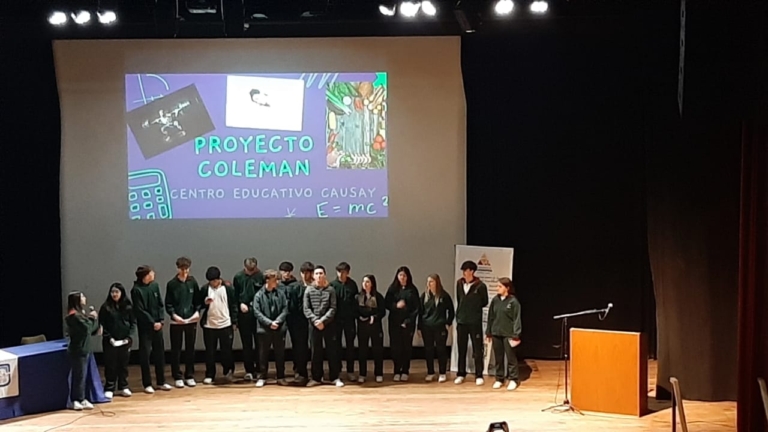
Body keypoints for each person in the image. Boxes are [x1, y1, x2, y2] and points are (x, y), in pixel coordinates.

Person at [131, 265, 172, 393]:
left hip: (158, 325)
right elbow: (139, 310)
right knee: (145, 355)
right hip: (146, 328)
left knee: (159, 353)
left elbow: (160, 304)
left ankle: (161, 381)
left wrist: (160, 319)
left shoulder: (155, 286)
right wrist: (152, 322)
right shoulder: (136, 290)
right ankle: (147, 383)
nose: (153, 274)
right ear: (145, 276)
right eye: (151, 273)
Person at [303, 265, 343, 387]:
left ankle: (334, 377)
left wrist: (323, 321)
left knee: (332, 351)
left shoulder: (330, 290)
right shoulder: (308, 290)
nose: (319, 276)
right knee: (315, 352)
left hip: (328, 324)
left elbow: (333, 308)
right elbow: (306, 308)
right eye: (317, 273)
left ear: (325, 275)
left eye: (321, 273)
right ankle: (316, 377)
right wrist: (315, 320)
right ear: (313, 276)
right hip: (314, 325)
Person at [165, 257, 201, 388]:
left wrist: (197, 312)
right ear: (177, 269)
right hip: (177, 322)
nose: (184, 272)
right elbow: (168, 304)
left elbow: (197, 301)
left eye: (186, 269)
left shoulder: (192, 282)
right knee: (176, 349)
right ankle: (177, 375)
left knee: (190, 348)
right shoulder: (172, 284)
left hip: (190, 321)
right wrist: (174, 316)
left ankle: (189, 375)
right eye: (182, 269)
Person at [199, 266, 238, 385]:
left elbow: (234, 305)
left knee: (227, 351)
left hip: (225, 324)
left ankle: (228, 371)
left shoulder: (228, 288)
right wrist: (205, 303)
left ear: (219, 279)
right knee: (210, 352)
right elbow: (198, 304)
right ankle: (210, 374)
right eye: (210, 281)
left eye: (214, 281)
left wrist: (234, 322)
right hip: (210, 325)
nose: (213, 283)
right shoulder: (205, 289)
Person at [99, 283, 136, 399]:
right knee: (110, 365)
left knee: (123, 364)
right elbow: (102, 325)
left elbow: (133, 323)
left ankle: (123, 386)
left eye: (117, 292)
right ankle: (110, 387)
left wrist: (129, 337)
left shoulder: (128, 307)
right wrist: (109, 338)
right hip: (110, 341)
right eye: (112, 292)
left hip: (125, 341)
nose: (114, 294)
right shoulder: (105, 307)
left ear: (121, 293)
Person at [455, 260, 489, 385]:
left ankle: (479, 374)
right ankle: (461, 373)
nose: (464, 273)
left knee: (477, 349)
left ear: (472, 271)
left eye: (466, 270)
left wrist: (473, 308)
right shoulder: (459, 283)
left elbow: (484, 301)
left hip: (474, 322)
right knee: (461, 348)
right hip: (462, 321)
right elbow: (459, 299)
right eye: (463, 271)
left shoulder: (480, 286)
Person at [253, 269, 289, 387]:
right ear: (267, 280)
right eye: (274, 280)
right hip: (264, 329)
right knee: (263, 354)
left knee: (280, 353)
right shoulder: (259, 295)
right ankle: (262, 377)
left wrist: (278, 321)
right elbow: (257, 312)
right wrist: (269, 323)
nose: (277, 282)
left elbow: (285, 308)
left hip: (279, 328)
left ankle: (281, 376)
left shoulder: (280, 293)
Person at [65, 291, 100, 410]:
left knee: (83, 376)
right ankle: (75, 399)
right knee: (78, 376)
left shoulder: (81, 314)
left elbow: (89, 329)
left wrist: (94, 325)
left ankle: (82, 398)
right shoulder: (74, 316)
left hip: (85, 349)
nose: (85, 298)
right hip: (78, 350)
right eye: (82, 297)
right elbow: (87, 328)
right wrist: (93, 318)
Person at [384, 266, 420, 382]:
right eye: (400, 275)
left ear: (408, 277)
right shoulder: (392, 289)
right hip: (394, 323)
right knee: (395, 348)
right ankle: (396, 371)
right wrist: (396, 306)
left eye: (404, 275)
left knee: (406, 348)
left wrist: (408, 321)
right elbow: (386, 303)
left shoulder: (412, 290)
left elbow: (416, 308)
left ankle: (405, 370)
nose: (402, 277)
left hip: (407, 324)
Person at [486, 277, 522, 391]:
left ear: (507, 288)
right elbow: (491, 316)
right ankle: (499, 378)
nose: (497, 288)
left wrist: (516, 334)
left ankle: (513, 379)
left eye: (500, 286)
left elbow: (517, 319)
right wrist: (488, 332)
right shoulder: (495, 300)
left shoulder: (513, 302)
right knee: (498, 357)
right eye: (497, 286)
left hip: (509, 334)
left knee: (511, 358)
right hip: (496, 333)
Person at [418, 274, 455, 383]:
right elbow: (420, 313)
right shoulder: (424, 296)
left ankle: (442, 373)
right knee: (428, 350)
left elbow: (451, 311)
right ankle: (430, 372)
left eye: (431, 282)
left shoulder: (444, 295)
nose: (429, 284)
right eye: (428, 282)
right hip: (426, 327)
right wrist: (419, 327)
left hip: (440, 327)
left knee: (441, 350)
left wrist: (448, 323)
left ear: (437, 282)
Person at [233, 257, 265, 381]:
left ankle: (260, 369)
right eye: (248, 270)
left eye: (253, 270)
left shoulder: (261, 276)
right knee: (247, 344)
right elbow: (235, 296)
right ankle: (249, 370)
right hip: (244, 314)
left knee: (260, 343)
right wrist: (240, 304)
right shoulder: (238, 277)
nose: (251, 272)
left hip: (258, 313)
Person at [330, 261, 359, 381]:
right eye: (339, 272)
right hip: (336, 321)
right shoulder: (332, 285)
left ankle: (350, 371)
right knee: (336, 346)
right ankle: (337, 370)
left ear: (348, 273)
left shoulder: (352, 285)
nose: (341, 274)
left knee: (350, 346)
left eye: (344, 272)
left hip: (349, 320)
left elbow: (356, 302)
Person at [281, 261, 309, 382]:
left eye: (288, 271)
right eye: (284, 271)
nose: (286, 274)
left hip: (296, 318)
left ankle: (300, 370)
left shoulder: (297, 285)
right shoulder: (278, 285)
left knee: (299, 345)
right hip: (281, 319)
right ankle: (280, 373)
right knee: (279, 346)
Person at [356, 274, 386, 383]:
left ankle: (378, 373)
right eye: (363, 282)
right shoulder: (358, 297)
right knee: (362, 351)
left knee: (377, 350)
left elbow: (382, 311)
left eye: (367, 282)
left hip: (375, 327)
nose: (365, 284)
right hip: (362, 327)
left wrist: (374, 317)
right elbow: (355, 311)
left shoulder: (378, 297)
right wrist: (360, 317)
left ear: (372, 284)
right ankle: (362, 374)